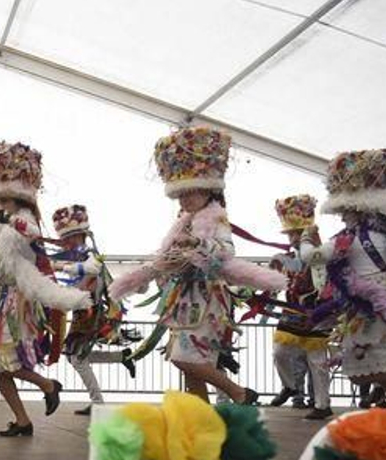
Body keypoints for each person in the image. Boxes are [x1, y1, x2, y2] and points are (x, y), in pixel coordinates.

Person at [110, 127, 284, 404]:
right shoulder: (183, 222)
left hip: (207, 300)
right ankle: (202, 424)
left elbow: (227, 251)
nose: (185, 198)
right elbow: (166, 260)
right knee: (190, 371)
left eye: (191, 192)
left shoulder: (216, 218)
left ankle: (239, 392)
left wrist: (199, 247)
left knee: (184, 359)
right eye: (181, 194)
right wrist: (144, 276)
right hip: (183, 302)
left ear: (208, 190)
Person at [0, 142, 87, 437]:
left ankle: (48, 385)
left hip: (17, 302)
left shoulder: (23, 220)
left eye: (3, 198)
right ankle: (22, 420)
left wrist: (9, 219)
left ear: (15, 196)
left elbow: (34, 235)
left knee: (8, 361)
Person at [311, 149, 386, 410]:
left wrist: (306, 242)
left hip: (376, 311)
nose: (342, 216)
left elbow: (313, 258)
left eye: (345, 210)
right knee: (380, 377)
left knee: (360, 373)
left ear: (355, 207)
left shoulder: (349, 238)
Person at [50, 204, 136, 417]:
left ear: (77, 235)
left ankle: (98, 402)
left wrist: (62, 276)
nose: (64, 243)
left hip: (90, 311)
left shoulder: (88, 254)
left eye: (67, 238)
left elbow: (91, 277)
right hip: (83, 310)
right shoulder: (76, 255)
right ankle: (121, 358)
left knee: (76, 357)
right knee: (76, 356)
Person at [268, 194, 334, 419]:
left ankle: (322, 404)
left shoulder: (323, 254)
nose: (293, 238)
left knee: (317, 361)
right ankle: (290, 386)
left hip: (318, 311)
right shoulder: (285, 258)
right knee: (279, 352)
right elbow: (274, 282)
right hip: (293, 311)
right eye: (291, 234)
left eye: (296, 233)